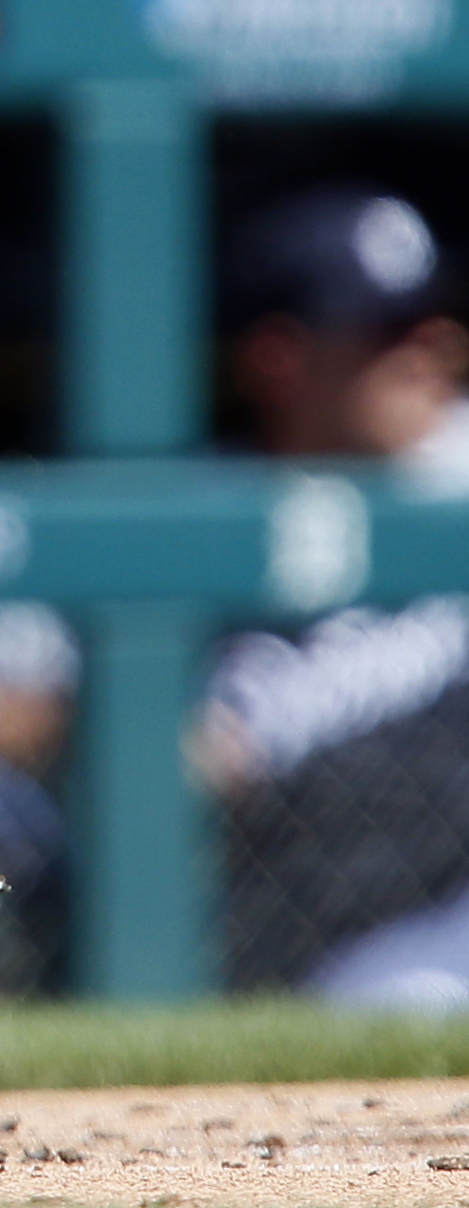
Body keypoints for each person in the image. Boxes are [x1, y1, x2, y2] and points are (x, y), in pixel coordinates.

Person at [196, 191, 469, 995]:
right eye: (388, 329)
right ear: (278, 356)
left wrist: (231, 742)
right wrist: (126, 737)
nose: (437, 346)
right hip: (282, 886)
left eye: (436, 316)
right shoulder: (200, 499)